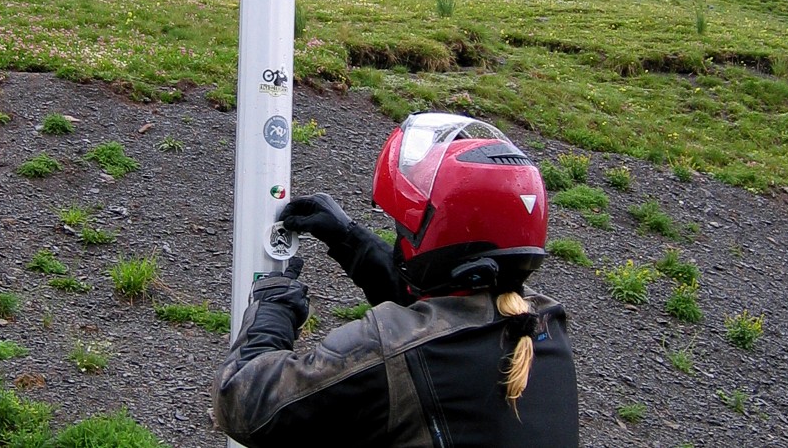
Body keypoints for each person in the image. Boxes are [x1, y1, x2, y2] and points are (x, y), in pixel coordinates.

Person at [214, 112, 579, 448]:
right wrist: (350, 240)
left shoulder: (389, 349)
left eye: (406, 230)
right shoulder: (543, 325)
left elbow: (243, 400)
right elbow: (443, 321)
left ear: (439, 237)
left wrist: (272, 306)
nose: (402, 241)